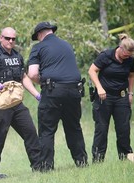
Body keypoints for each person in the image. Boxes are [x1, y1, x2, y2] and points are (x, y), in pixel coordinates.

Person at [0, 27, 42, 181]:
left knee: (30, 133)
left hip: (16, 103)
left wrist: (36, 94)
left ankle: (39, 167)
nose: (11, 41)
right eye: (7, 38)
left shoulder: (17, 56)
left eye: (13, 39)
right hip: (0, 104)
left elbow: (23, 76)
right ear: (1, 38)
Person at [27, 22, 88, 171]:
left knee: (47, 130)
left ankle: (47, 167)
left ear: (40, 34)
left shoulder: (38, 48)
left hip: (53, 91)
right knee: (74, 127)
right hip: (74, 91)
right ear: (51, 31)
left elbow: (32, 73)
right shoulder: (67, 45)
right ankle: (82, 163)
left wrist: (43, 82)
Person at [88, 33, 134, 162]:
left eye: (129, 55)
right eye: (126, 54)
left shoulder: (130, 60)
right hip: (104, 97)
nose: (127, 57)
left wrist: (130, 93)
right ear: (120, 48)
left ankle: (126, 158)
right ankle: (98, 160)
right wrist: (99, 87)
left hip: (121, 97)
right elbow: (92, 71)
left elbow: (131, 76)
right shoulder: (106, 56)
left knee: (123, 129)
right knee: (102, 130)